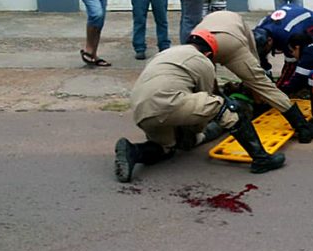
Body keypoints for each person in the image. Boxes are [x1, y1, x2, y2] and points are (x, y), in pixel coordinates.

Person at [114, 30, 285, 183]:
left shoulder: (167, 53)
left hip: (140, 108)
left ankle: (132, 151)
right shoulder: (203, 61)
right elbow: (208, 101)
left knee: (165, 148)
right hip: (167, 103)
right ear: (209, 53)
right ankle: (261, 159)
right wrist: (196, 133)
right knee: (222, 107)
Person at [193, 11, 313, 144]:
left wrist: (218, 94)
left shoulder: (257, 25)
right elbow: (255, 66)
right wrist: (256, 89)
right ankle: (302, 126)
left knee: (202, 91)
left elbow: (210, 77)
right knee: (263, 85)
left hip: (198, 40)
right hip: (228, 40)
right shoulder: (241, 23)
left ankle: (193, 133)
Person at [252, 5, 313, 89]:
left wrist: (279, 88)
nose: (261, 51)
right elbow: (259, 58)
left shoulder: (286, 36)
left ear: (269, 40)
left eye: (263, 49)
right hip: (289, 17)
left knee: (312, 54)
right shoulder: (259, 28)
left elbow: (290, 66)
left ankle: (309, 83)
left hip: (310, 20)